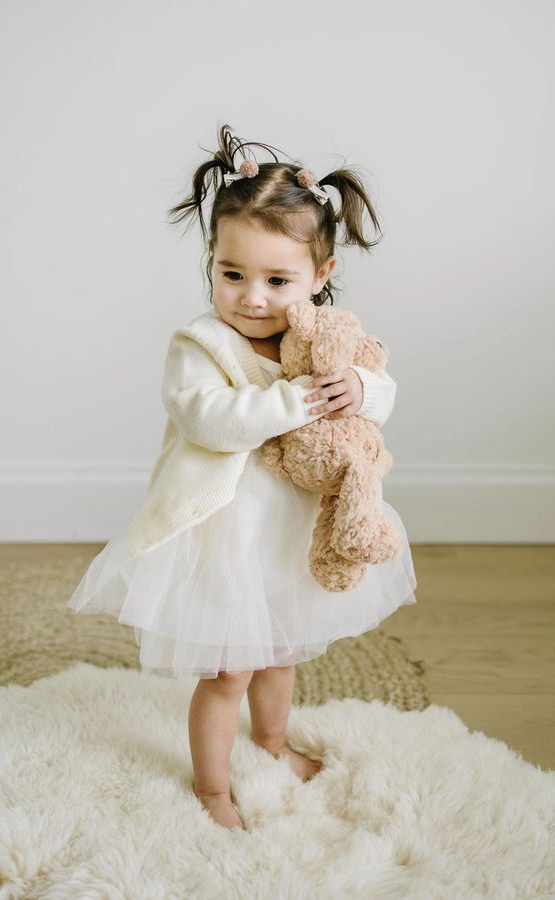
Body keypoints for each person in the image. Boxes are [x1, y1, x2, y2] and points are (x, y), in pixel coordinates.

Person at [67, 123, 418, 832]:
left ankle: (272, 744)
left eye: (277, 280)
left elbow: (380, 391)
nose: (252, 297)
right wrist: (297, 398)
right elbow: (210, 419)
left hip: (289, 531)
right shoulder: (200, 344)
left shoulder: (325, 339)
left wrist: (356, 387)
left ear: (319, 278)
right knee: (228, 670)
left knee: (281, 651)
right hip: (223, 534)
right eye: (233, 275)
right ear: (212, 263)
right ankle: (213, 788)